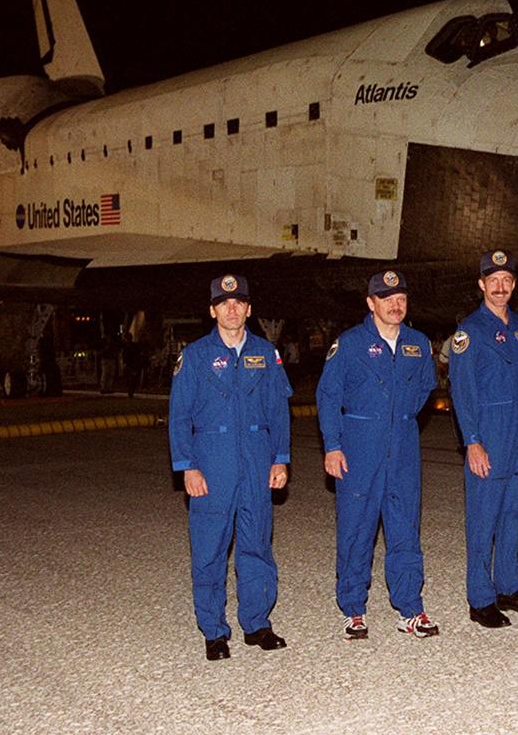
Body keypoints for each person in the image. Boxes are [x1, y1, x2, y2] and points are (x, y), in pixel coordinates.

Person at [168, 274, 293, 660]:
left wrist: (281, 458)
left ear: (249, 309)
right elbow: (178, 416)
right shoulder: (196, 356)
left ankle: (256, 624)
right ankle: (214, 632)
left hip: (257, 463)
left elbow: (278, 411)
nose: (232, 308)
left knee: (256, 547)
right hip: (212, 463)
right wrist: (187, 466)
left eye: (239, 302)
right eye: (224, 303)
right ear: (212, 310)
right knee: (209, 551)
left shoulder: (266, 353)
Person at [316, 270, 440, 640]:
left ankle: (410, 608)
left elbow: (424, 388)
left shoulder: (417, 343)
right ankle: (353, 608)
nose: (395, 305)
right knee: (356, 529)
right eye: (387, 300)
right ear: (371, 304)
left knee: (405, 528)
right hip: (359, 447)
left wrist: (399, 417)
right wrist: (333, 445)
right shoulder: (350, 344)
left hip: (402, 447)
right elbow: (328, 396)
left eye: (401, 299)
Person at [449, 250, 518, 628]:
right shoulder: (469, 332)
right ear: (482, 285)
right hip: (489, 436)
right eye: (494, 281)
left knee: (515, 515)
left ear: (513, 285)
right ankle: (480, 598)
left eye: (507, 281)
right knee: (483, 518)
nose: (501, 287)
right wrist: (472, 441)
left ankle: (510, 587)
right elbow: (462, 392)